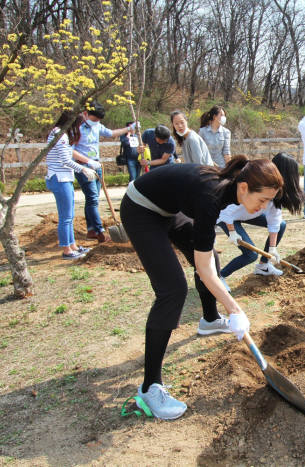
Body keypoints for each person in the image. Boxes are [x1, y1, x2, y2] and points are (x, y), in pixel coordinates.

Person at [119, 155, 283, 420]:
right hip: (141, 209)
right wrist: (235, 308)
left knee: (212, 258)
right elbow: (203, 270)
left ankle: (209, 319)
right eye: (262, 200)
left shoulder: (228, 190)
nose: (263, 208)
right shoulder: (211, 198)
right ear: (244, 187)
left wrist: (229, 307)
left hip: (168, 209)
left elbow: (206, 261)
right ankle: (150, 388)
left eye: (268, 202)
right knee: (173, 289)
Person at [218, 153, 305, 279]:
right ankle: (220, 276)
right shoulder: (256, 186)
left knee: (281, 224)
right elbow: (227, 210)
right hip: (228, 217)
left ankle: (263, 265)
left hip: (248, 213)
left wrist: (272, 248)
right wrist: (232, 231)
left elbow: (275, 220)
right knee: (251, 255)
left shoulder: (275, 191)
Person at [72, 102, 135, 243]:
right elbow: (71, 150)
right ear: (86, 114)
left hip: (97, 165)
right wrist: (87, 162)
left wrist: (129, 128)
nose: (96, 123)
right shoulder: (77, 128)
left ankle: (91, 230)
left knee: (92, 199)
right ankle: (100, 232)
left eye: (98, 121)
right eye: (94, 120)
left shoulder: (97, 126)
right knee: (93, 198)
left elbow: (111, 134)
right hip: (84, 167)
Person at [46, 111, 97, 259]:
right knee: (65, 216)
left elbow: (70, 153)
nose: (79, 128)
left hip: (64, 177)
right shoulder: (60, 135)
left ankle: (73, 245)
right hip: (59, 178)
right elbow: (65, 160)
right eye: (78, 124)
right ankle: (67, 250)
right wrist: (83, 169)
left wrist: (88, 161)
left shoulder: (61, 133)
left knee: (69, 215)